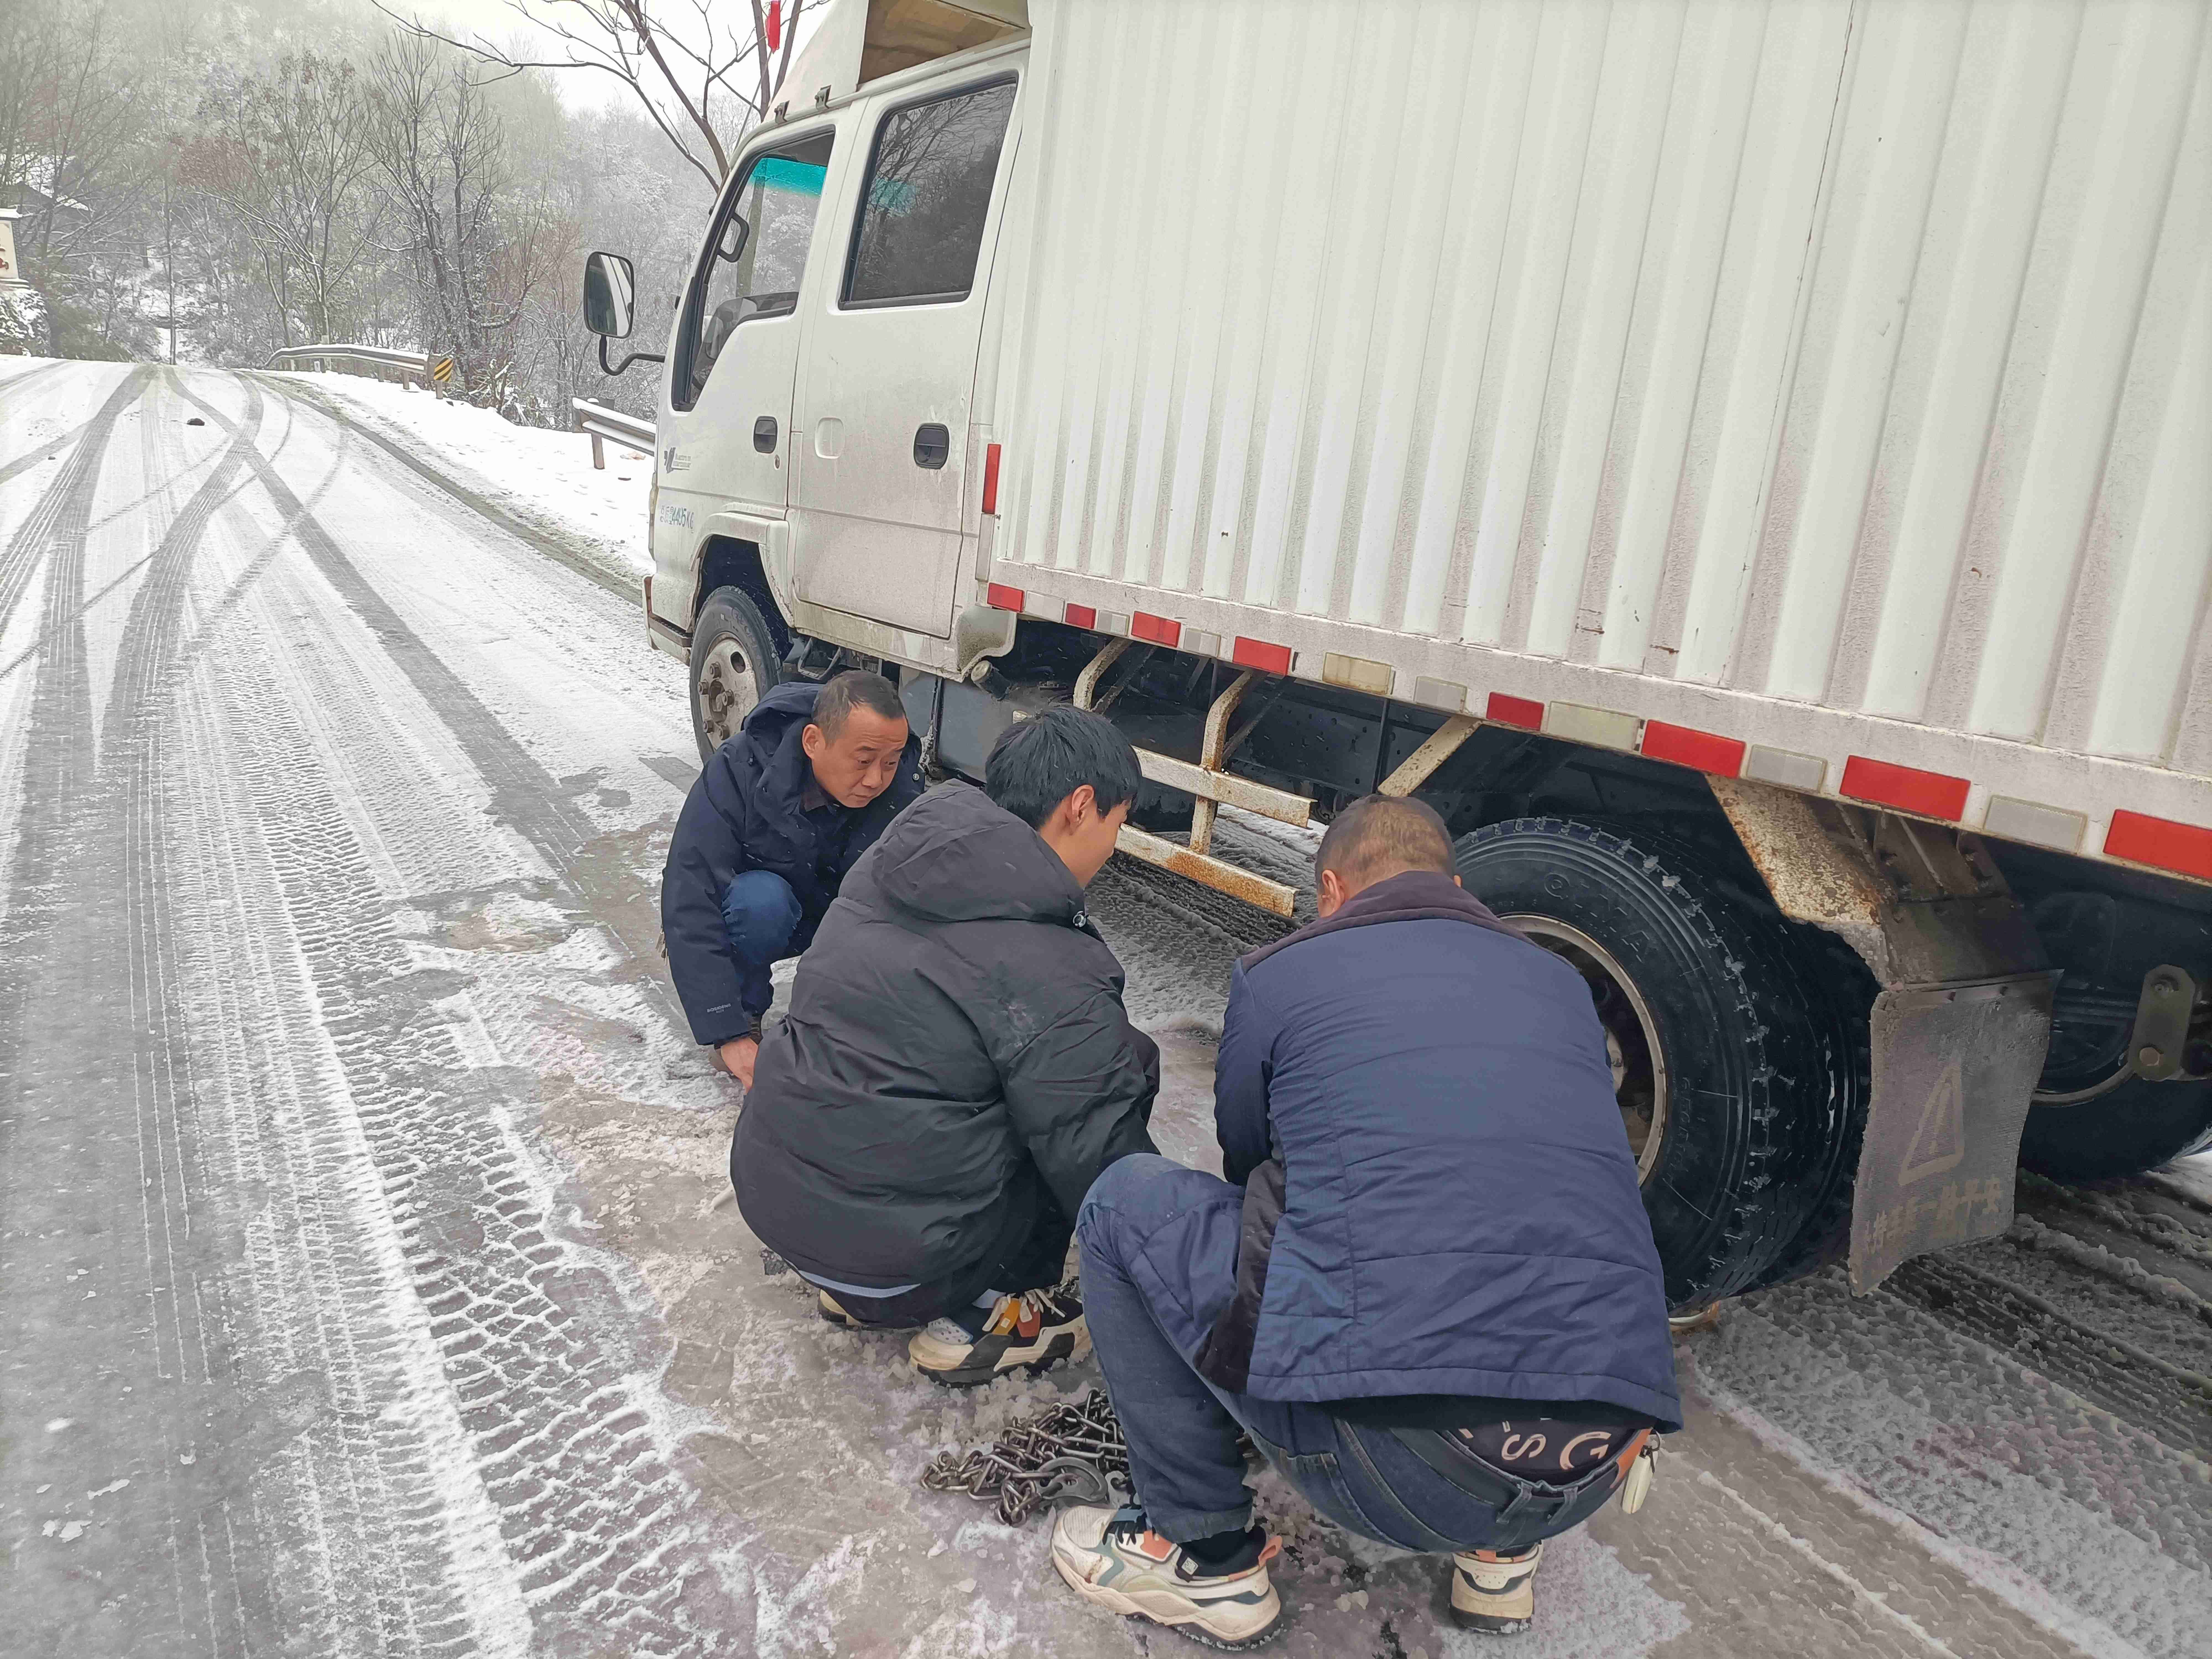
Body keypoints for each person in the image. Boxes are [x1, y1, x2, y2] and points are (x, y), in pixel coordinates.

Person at [1050, 795, 1681, 1648]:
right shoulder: (1561, 983)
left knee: (1126, 1203)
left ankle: (1201, 1556)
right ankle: (1501, 1552)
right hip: (1596, 1461)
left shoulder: (1279, 975)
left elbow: (1248, 1160)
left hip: (1401, 1474)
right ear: (1456, 885)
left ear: (1334, 890)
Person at [732, 705, 1162, 1385]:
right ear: (1081, 807)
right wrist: (1173, 1265)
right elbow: (1095, 1137)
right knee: (1119, 1065)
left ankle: (847, 1280)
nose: (1113, 844)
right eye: (1118, 822)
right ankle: (992, 1315)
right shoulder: (1053, 961)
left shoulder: (889, 864)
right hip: (900, 1268)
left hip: (778, 1206)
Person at [661, 671, 924, 1087]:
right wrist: (725, 1031)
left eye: (890, 763)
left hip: (837, 912)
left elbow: (922, 905)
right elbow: (690, 895)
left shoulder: (903, 791)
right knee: (761, 902)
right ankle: (746, 1012)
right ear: (813, 742)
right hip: (767, 911)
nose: (876, 779)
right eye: (863, 760)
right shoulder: (738, 770)